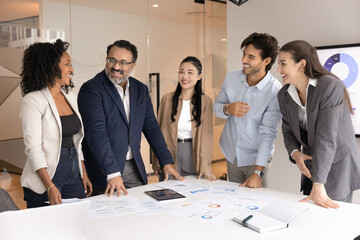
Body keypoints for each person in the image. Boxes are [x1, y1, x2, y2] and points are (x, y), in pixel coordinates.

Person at [78, 40, 184, 197]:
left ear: (132, 66)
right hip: (104, 171)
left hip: (134, 168)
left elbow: (151, 128)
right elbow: (96, 134)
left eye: (123, 62)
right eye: (112, 60)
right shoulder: (92, 89)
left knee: (138, 211)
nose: (116, 66)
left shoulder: (140, 90)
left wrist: (166, 162)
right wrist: (112, 173)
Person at [277, 40, 360, 208]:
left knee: (334, 223)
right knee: (311, 217)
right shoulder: (284, 95)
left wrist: (319, 182)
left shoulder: (329, 86)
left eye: (283, 64)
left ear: (301, 64)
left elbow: (326, 137)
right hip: (312, 164)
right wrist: (295, 153)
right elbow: (287, 131)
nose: (278, 70)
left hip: (338, 165)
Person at [19, 39, 92, 208]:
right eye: (67, 64)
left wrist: (84, 174)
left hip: (73, 175)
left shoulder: (69, 96)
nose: (71, 70)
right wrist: (50, 186)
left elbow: (77, 142)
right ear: (51, 66)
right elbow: (33, 148)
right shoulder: (33, 100)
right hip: (46, 179)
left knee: (77, 222)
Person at [214, 32, 282, 188]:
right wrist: (227, 109)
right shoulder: (231, 78)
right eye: (244, 54)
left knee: (255, 205)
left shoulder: (275, 92)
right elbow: (217, 107)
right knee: (234, 202)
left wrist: (258, 173)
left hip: (256, 160)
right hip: (231, 155)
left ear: (266, 61)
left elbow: (268, 134)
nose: (244, 60)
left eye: (251, 57)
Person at [152, 56, 217, 181]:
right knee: (170, 193)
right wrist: (156, 160)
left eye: (190, 73)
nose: (184, 76)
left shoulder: (205, 101)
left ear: (199, 76)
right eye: (181, 72)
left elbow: (206, 136)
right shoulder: (167, 99)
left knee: (193, 192)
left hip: (192, 152)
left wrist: (205, 166)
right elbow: (157, 132)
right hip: (169, 152)